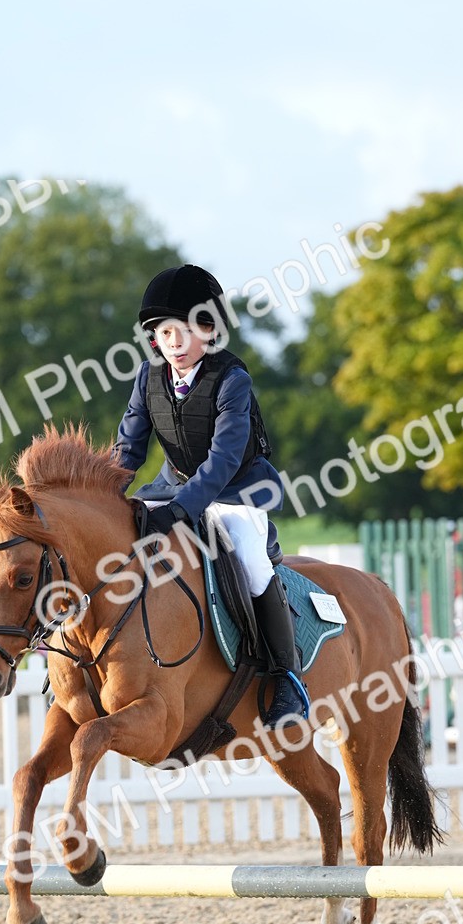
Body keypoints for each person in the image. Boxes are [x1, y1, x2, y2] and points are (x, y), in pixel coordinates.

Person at [114, 263, 309, 727]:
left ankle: (287, 676)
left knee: (251, 562)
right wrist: (101, 495)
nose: (174, 343)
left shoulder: (232, 379)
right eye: (165, 332)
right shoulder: (147, 377)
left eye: (185, 330)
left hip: (237, 491)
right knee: (113, 536)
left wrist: (181, 510)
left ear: (210, 330)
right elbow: (128, 450)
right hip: (172, 485)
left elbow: (222, 460)